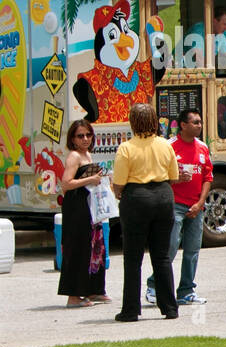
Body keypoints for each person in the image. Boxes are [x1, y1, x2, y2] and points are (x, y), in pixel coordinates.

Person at [111, 102, 181, 322]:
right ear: (154, 121)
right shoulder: (165, 145)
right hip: (163, 195)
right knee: (161, 256)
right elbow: (174, 176)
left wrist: (120, 193)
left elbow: (119, 183)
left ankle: (131, 310)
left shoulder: (126, 148)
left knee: (133, 257)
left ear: (133, 122)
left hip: (136, 197)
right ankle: (170, 307)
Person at [145, 108, 212, 306]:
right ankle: (154, 285)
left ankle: (186, 291)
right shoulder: (169, 146)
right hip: (174, 205)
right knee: (170, 247)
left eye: (200, 122)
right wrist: (175, 179)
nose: (199, 126)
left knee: (192, 250)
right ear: (183, 125)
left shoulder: (202, 147)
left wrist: (200, 203)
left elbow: (208, 177)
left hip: (196, 207)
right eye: (195, 122)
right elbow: (157, 176)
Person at [57, 119, 110, 308]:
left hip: (90, 205)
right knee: (78, 248)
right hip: (76, 206)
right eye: (80, 136)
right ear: (73, 138)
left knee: (96, 247)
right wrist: (89, 179)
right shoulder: (74, 156)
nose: (85, 139)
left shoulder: (87, 154)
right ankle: (73, 295)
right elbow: (66, 183)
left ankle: (94, 289)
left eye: (88, 135)